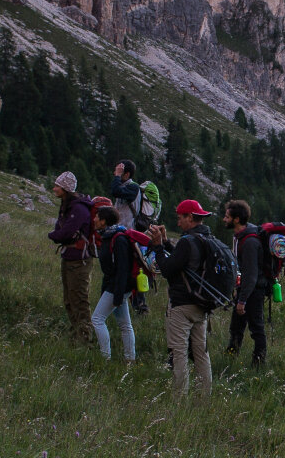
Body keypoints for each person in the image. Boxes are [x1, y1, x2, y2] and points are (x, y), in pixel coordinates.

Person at [149, 198, 216, 399]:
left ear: (190, 218)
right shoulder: (207, 239)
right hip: (202, 303)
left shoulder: (188, 241)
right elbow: (184, 261)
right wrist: (166, 243)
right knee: (201, 353)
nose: (178, 223)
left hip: (182, 304)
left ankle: (179, 399)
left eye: (180, 218)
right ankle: (204, 398)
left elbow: (168, 270)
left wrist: (158, 247)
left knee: (179, 353)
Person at [46, 170, 97, 344]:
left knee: (79, 300)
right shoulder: (67, 205)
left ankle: (85, 338)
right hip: (69, 257)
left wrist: (53, 236)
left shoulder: (78, 209)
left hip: (79, 260)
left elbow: (65, 232)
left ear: (65, 189)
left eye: (57, 186)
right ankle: (76, 333)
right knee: (69, 300)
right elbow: (61, 228)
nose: (54, 188)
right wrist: (57, 234)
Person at [222, 199, 268, 366]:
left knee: (256, 328)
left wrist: (242, 300)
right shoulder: (240, 237)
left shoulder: (249, 242)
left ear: (236, 219)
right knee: (236, 327)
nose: (224, 219)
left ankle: (259, 363)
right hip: (245, 289)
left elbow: (251, 275)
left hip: (253, 290)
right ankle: (230, 357)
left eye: (227, 217)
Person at [90, 204, 138, 363]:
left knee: (97, 319)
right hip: (117, 287)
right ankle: (129, 359)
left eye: (97, 216)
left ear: (103, 221)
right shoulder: (108, 236)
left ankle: (105, 358)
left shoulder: (118, 239)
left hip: (119, 287)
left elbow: (122, 269)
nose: (94, 219)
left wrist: (117, 295)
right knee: (125, 325)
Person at [108, 159, 142, 231]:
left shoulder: (134, 187)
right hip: (118, 228)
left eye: (119, 172)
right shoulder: (122, 186)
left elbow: (115, 192)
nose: (115, 173)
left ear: (127, 175)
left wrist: (117, 176)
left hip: (127, 231)